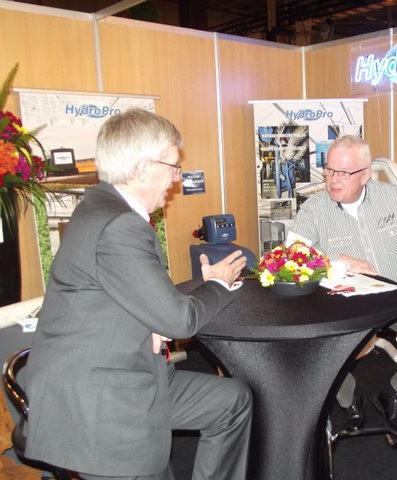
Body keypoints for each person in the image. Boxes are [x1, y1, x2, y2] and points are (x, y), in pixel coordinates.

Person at [23, 108, 252, 480]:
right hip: (101, 403)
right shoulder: (119, 226)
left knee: (231, 400)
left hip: (124, 370)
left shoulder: (99, 207)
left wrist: (151, 325)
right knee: (156, 466)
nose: (176, 179)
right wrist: (218, 284)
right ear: (145, 168)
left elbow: (116, 295)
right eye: (173, 167)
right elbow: (180, 320)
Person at [291, 135, 397, 443]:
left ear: (365, 174)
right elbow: (292, 258)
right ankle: (349, 397)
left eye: (344, 173)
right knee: (312, 349)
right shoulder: (315, 208)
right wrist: (337, 261)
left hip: (395, 294)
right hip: (341, 299)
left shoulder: (392, 198)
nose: (333, 179)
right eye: (329, 170)